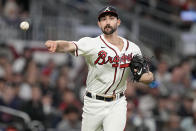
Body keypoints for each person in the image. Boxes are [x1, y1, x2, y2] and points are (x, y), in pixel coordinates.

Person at [45, 6, 153, 131]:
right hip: (94, 102)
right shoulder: (92, 44)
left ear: (118, 22)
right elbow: (69, 45)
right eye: (103, 19)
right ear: (99, 24)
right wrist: (57, 45)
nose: (107, 22)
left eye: (111, 18)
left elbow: (146, 76)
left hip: (117, 102)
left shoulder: (132, 48)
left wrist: (148, 77)